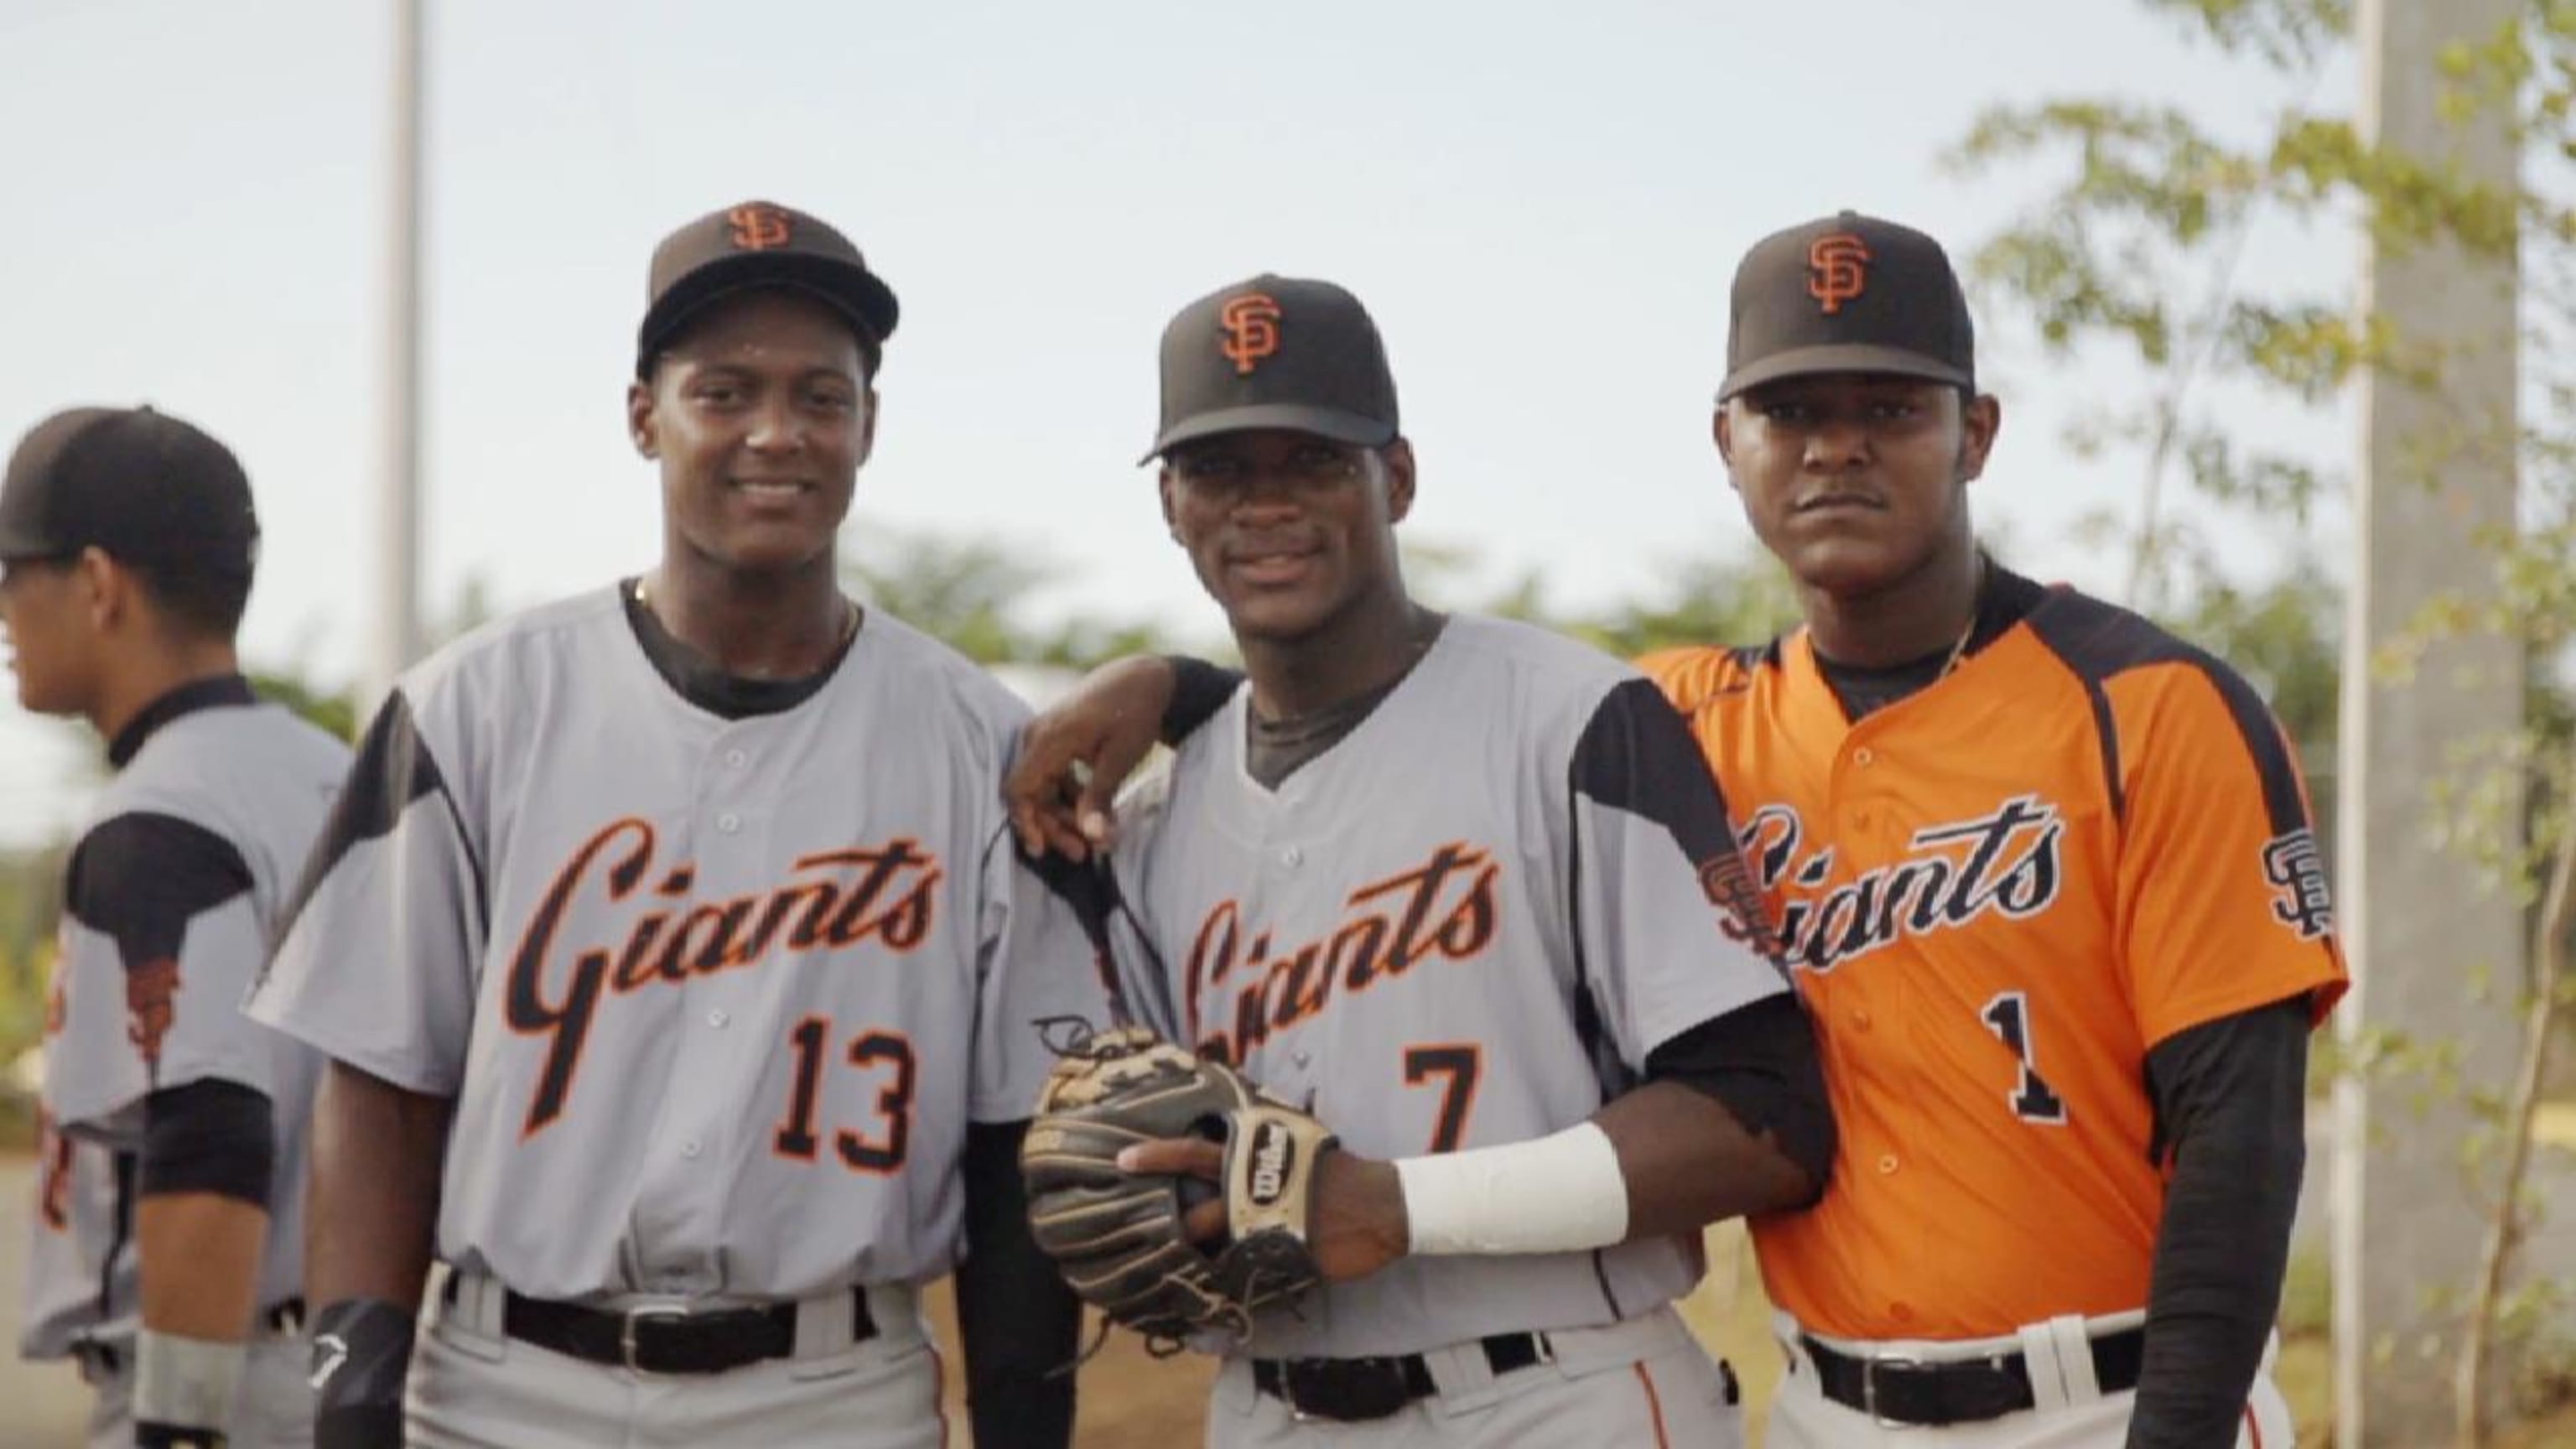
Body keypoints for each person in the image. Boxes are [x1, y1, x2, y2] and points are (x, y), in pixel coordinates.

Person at [1010, 216, 2347, 1448]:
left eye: (1887, 407)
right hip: (1825, 1407)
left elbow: (2243, 1136)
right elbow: (1397, 721)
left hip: (2112, 1399)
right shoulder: (1691, 719)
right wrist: (1177, 690)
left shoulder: (2153, 708)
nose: (1836, 446)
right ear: (1728, 445)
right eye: (1790, 410)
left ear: (1976, 434)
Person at [243, 200, 1105, 1449]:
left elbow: (1011, 1130)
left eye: (822, 395)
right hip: (503, 1390)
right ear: (644, 416)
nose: (777, 432)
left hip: (833, 1396)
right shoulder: (472, 709)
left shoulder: (980, 744)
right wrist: (350, 1405)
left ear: (870, 426)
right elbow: (380, 1086)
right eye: (724, 391)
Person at [1047, 273, 1836, 1446]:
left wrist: (1395, 1205)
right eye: (1220, 471)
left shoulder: (1572, 720)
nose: (1264, 507)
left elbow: (1763, 1124)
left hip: (1556, 1392)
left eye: (1312, 463)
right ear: (1172, 503)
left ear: (1397, 479)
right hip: (1267, 1408)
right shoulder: (1154, 817)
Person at [3, 404, 348, 1448]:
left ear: (99, 584)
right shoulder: (331, 776)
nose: (5, 613)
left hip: (223, 1380)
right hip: (342, 1358)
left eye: (13, 576)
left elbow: (208, 1131)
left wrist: (177, 1428)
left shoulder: (162, 817)